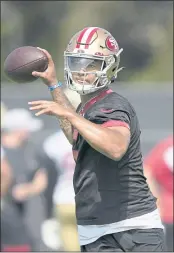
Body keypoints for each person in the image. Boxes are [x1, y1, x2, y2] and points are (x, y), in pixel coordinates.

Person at [28, 27, 166, 252]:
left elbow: (115, 147)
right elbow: (76, 137)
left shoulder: (112, 105)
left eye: (90, 65)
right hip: (97, 228)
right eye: (76, 63)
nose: (81, 71)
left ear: (109, 65)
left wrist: (69, 113)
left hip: (130, 229)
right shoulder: (87, 107)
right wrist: (53, 85)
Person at [1, 108, 47, 251]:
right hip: (6, 214)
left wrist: (28, 189)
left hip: (27, 218)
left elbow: (41, 178)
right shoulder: (3, 151)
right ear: (18, 130)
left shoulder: (32, 150)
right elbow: (5, 174)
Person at [144, 135, 173, 252]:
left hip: (167, 212)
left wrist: (155, 200)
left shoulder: (166, 145)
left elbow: (147, 171)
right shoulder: (167, 145)